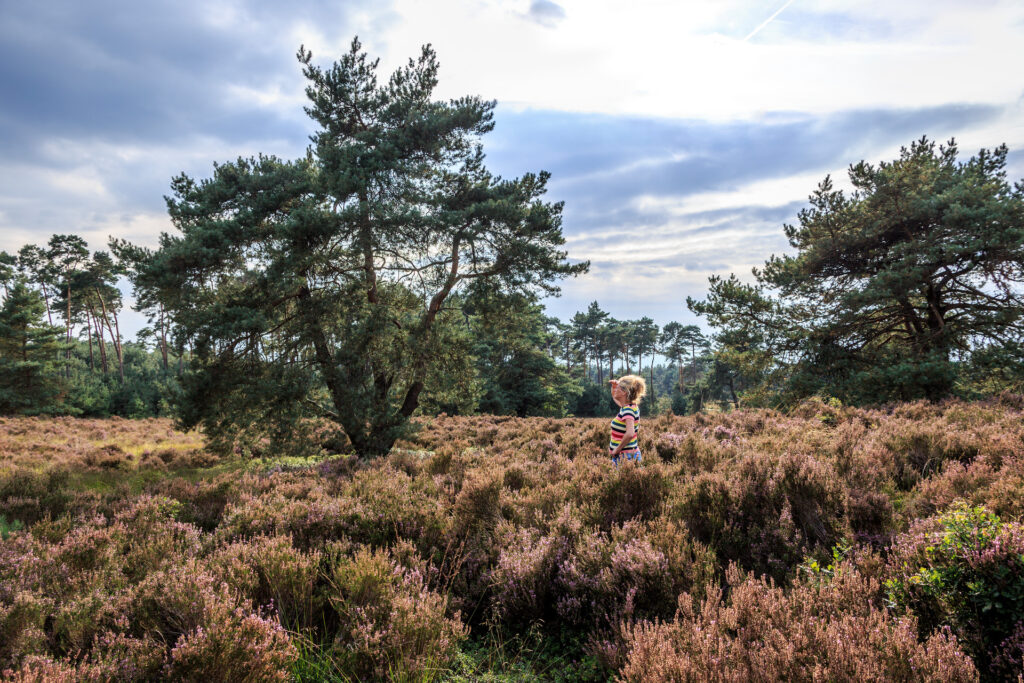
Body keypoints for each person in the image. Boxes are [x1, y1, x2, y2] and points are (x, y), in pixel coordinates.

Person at [609, 375, 645, 465]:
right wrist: (614, 387)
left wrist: (617, 450)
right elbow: (614, 397)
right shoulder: (629, 407)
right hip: (627, 455)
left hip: (625, 457)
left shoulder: (627, 411)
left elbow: (630, 433)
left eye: (617, 388)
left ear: (624, 392)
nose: (615, 390)